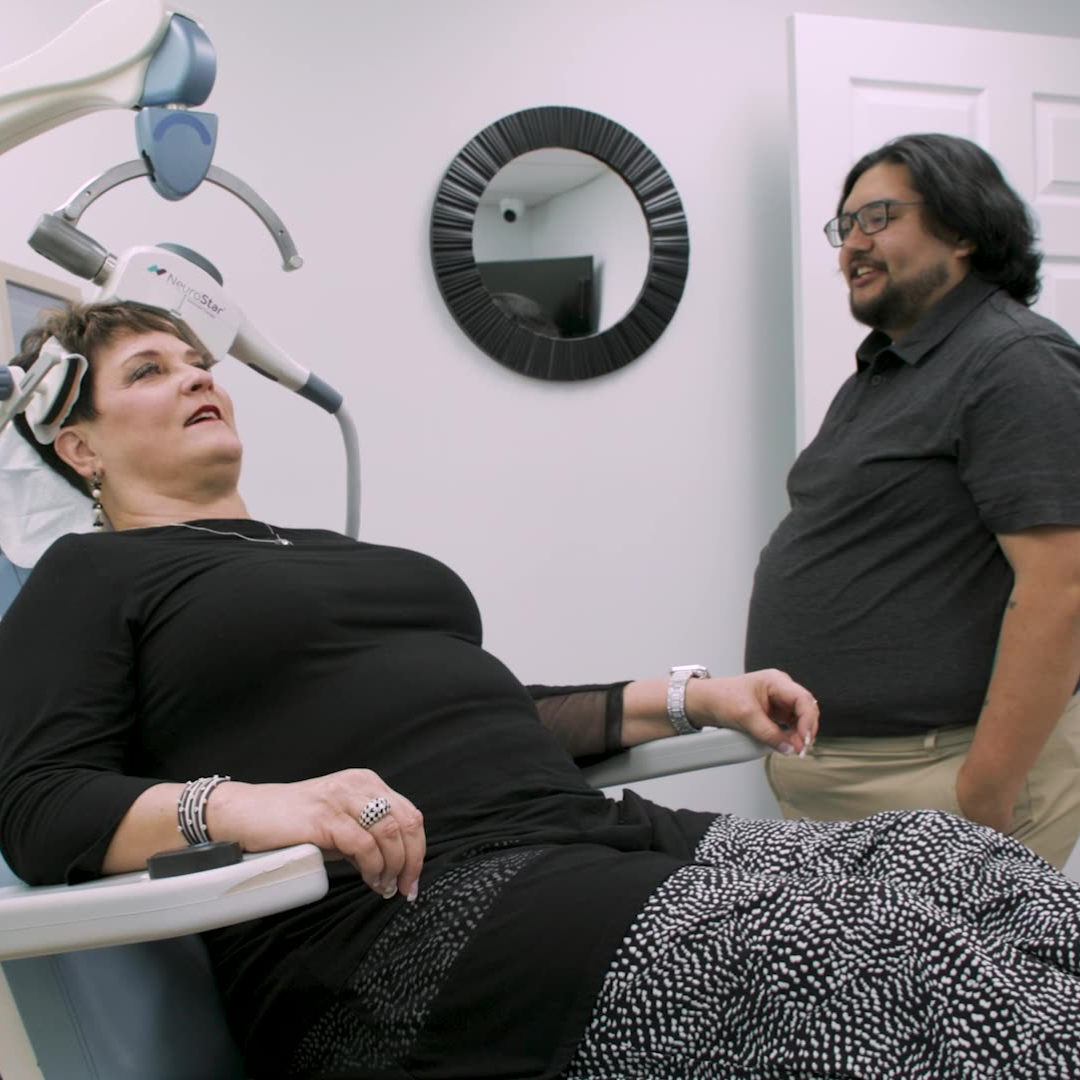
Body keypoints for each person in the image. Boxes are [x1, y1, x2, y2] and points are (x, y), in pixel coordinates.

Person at [3, 302, 1080, 1080]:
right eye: (150, 369)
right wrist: (246, 805)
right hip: (406, 923)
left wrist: (695, 697)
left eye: (199, 359)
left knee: (968, 868)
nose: (198, 375)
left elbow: (481, 710)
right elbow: (41, 802)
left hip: (582, 836)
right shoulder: (86, 578)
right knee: (892, 964)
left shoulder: (323, 549)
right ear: (77, 442)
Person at [747, 132, 1080, 869]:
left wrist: (986, 789)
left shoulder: (1013, 361)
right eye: (844, 227)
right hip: (842, 773)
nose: (851, 247)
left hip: (937, 779)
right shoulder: (890, 369)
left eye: (879, 217)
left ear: (962, 229)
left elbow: (1062, 587)